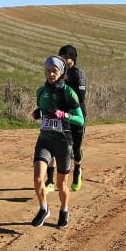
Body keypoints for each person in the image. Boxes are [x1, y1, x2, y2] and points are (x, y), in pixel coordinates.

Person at [31, 56, 84, 228]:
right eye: (48, 70)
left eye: (54, 71)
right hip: (45, 139)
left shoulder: (69, 92)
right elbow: (43, 109)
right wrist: (38, 113)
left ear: (61, 73)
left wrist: (65, 115)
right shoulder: (41, 91)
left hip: (64, 142)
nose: (51, 74)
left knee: (62, 185)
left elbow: (80, 120)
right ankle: (44, 208)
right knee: (38, 178)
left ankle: (64, 210)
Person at [45, 44, 88, 192]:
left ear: (72, 59)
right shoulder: (57, 72)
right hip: (58, 115)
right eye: (61, 57)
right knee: (53, 145)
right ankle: (50, 180)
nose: (63, 59)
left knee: (76, 149)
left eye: (66, 57)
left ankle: (77, 172)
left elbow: (80, 97)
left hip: (75, 114)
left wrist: (66, 91)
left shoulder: (77, 74)